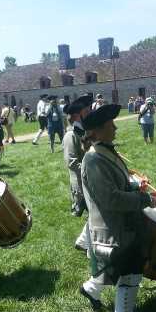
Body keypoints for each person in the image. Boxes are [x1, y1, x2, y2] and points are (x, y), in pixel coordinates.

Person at [79, 104, 156, 312]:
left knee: (118, 267)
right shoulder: (94, 159)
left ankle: (89, 289)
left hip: (123, 221)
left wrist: (136, 187)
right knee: (130, 270)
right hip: (113, 227)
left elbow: (119, 184)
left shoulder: (105, 151)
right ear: (97, 131)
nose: (115, 128)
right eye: (110, 125)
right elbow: (111, 199)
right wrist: (143, 199)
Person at [62, 95, 92, 251]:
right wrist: (94, 170)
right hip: (81, 183)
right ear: (76, 115)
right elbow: (73, 163)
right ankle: (89, 246)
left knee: (95, 213)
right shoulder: (70, 135)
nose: (89, 113)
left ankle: (83, 241)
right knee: (95, 213)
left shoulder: (82, 131)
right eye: (86, 111)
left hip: (88, 180)